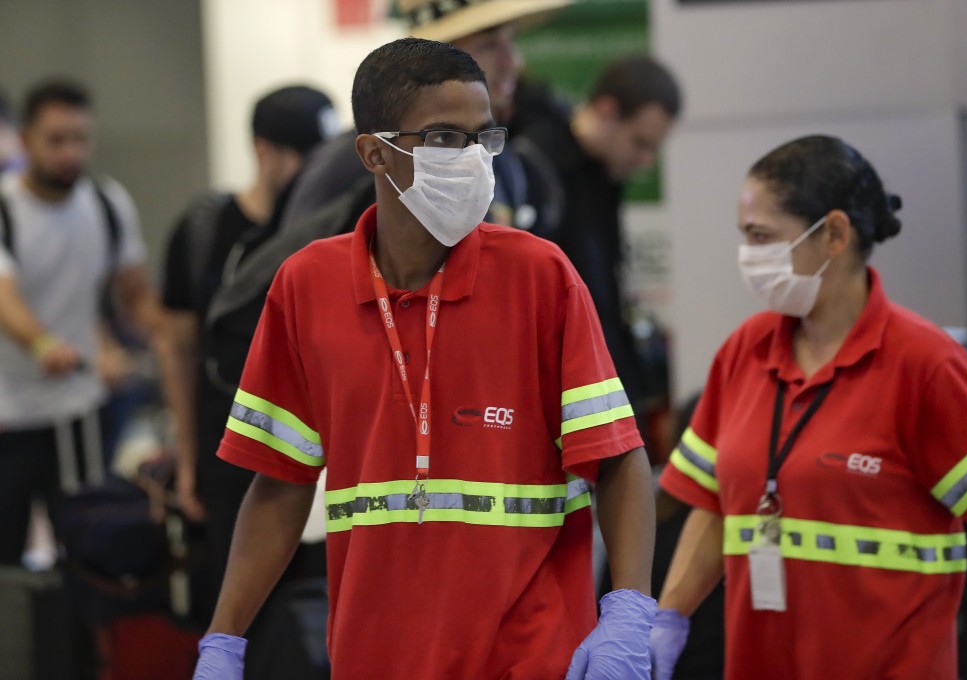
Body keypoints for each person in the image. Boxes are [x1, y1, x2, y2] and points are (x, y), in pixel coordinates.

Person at [192, 38, 656, 680]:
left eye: (482, 137)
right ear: (373, 152)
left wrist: (629, 611)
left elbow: (618, 458)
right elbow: (279, 482)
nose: (470, 159)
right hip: (374, 655)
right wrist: (224, 639)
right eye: (443, 137)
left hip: (531, 654)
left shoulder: (540, 276)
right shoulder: (306, 286)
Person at [649, 135, 967, 680]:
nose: (748, 255)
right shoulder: (744, 353)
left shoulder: (924, 364)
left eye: (762, 236)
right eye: (744, 236)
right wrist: (668, 619)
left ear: (835, 235)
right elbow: (711, 505)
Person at [161, 85, 337, 601]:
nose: (316, 174)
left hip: (317, 442)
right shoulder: (205, 231)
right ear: (265, 151)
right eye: (306, 158)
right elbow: (177, 347)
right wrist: (188, 453)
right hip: (231, 440)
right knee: (241, 592)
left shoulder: (333, 231)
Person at [0, 79, 169, 563]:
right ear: (27, 139)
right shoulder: (6, 208)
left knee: (86, 550)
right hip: (10, 416)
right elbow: (5, 298)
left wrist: (167, 334)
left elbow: (134, 293)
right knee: (7, 561)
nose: (71, 152)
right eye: (56, 140)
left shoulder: (106, 203)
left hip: (78, 411)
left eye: (80, 139)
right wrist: (43, 345)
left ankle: (79, 641)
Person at [276, 0, 568, 237]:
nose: (514, 62)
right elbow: (297, 281)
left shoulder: (502, 158)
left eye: (511, 40)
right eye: (490, 45)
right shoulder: (359, 160)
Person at [519, 55, 681, 438]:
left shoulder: (602, 173)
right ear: (607, 111)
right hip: (550, 398)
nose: (645, 161)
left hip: (597, 387)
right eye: (640, 143)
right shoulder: (536, 164)